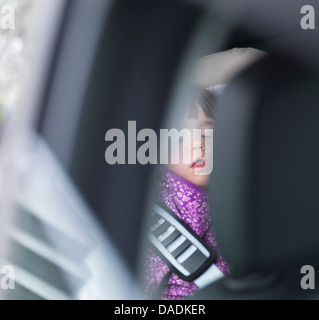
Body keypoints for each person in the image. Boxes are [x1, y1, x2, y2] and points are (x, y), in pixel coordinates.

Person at [144, 86, 231, 300]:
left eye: (205, 132)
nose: (198, 144)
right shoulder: (150, 222)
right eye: (179, 139)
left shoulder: (238, 197)